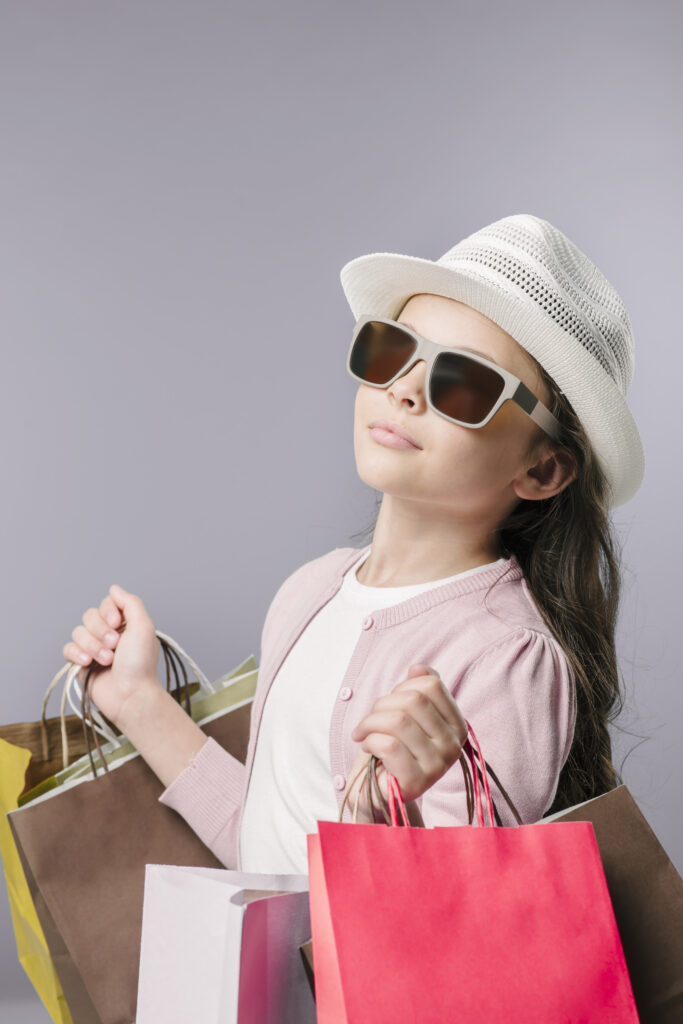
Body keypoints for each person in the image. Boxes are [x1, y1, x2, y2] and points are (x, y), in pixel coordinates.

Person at [62, 213, 644, 875]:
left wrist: (402, 812)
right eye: (392, 350)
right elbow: (268, 850)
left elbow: (465, 916)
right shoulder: (310, 591)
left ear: (542, 469)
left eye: (466, 383)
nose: (404, 390)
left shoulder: (508, 655)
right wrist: (137, 701)